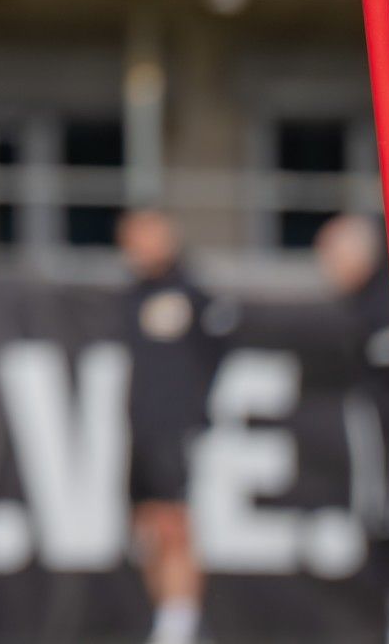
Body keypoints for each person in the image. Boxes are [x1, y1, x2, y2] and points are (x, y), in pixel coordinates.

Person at [118, 209, 231, 644]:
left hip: (174, 427)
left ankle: (179, 623)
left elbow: (216, 351)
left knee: (173, 522)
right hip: (140, 427)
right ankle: (164, 617)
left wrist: (193, 412)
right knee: (146, 525)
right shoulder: (132, 296)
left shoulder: (191, 295)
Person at [315, 214, 389, 644]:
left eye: (333, 254)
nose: (327, 266)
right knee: (385, 525)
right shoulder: (363, 305)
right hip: (382, 444)